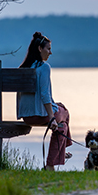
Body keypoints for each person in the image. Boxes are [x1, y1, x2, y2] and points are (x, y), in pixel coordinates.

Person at [17, 32, 72, 171]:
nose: (50, 52)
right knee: (64, 114)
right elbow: (45, 95)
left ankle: (59, 152)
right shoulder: (43, 67)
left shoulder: (23, 68)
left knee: (61, 115)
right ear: (40, 49)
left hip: (26, 116)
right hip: (40, 115)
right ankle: (51, 163)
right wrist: (52, 118)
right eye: (48, 49)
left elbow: (20, 95)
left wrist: (20, 112)